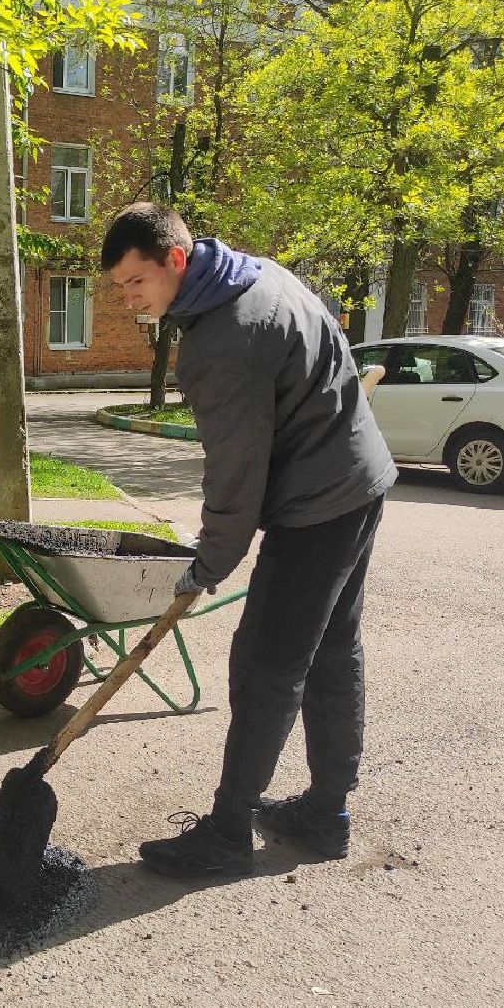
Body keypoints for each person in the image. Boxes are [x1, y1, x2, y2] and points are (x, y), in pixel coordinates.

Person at [100, 203, 396, 877]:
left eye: (136, 282)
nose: (129, 300)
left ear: (176, 259)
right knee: (331, 649)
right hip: (359, 480)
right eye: (120, 287)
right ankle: (326, 814)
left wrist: (207, 565)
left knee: (266, 664)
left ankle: (228, 835)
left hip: (317, 506)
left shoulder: (221, 343)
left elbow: (235, 474)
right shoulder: (255, 273)